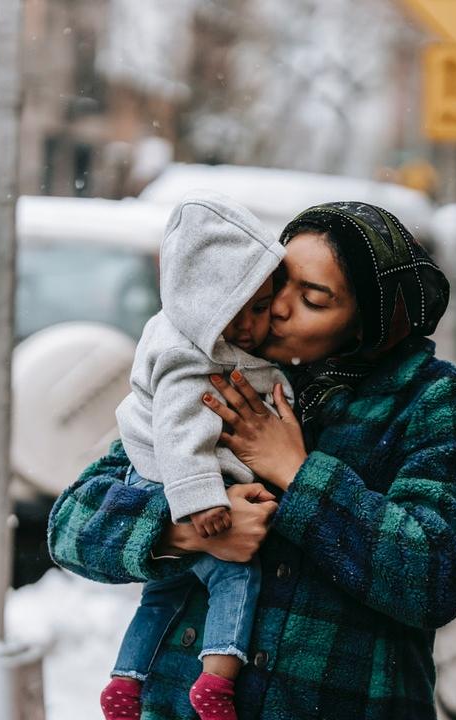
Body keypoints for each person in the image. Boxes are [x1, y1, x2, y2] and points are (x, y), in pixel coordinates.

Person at [49, 201, 456, 720]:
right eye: (275, 282)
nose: (275, 308)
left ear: (369, 319)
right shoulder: (216, 366)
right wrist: (188, 529)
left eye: (313, 297)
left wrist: (298, 474)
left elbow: (435, 578)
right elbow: (71, 526)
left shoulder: (437, 401)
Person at [101, 191, 295, 720]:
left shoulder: (176, 331)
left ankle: (125, 680)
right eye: (235, 314)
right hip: (183, 488)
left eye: (261, 308)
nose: (251, 327)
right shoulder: (193, 355)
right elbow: (180, 428)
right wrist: (199, 503)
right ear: (203, 305)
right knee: (236, 576)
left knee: (160, 596)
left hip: (154, 481)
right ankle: (216, 681)